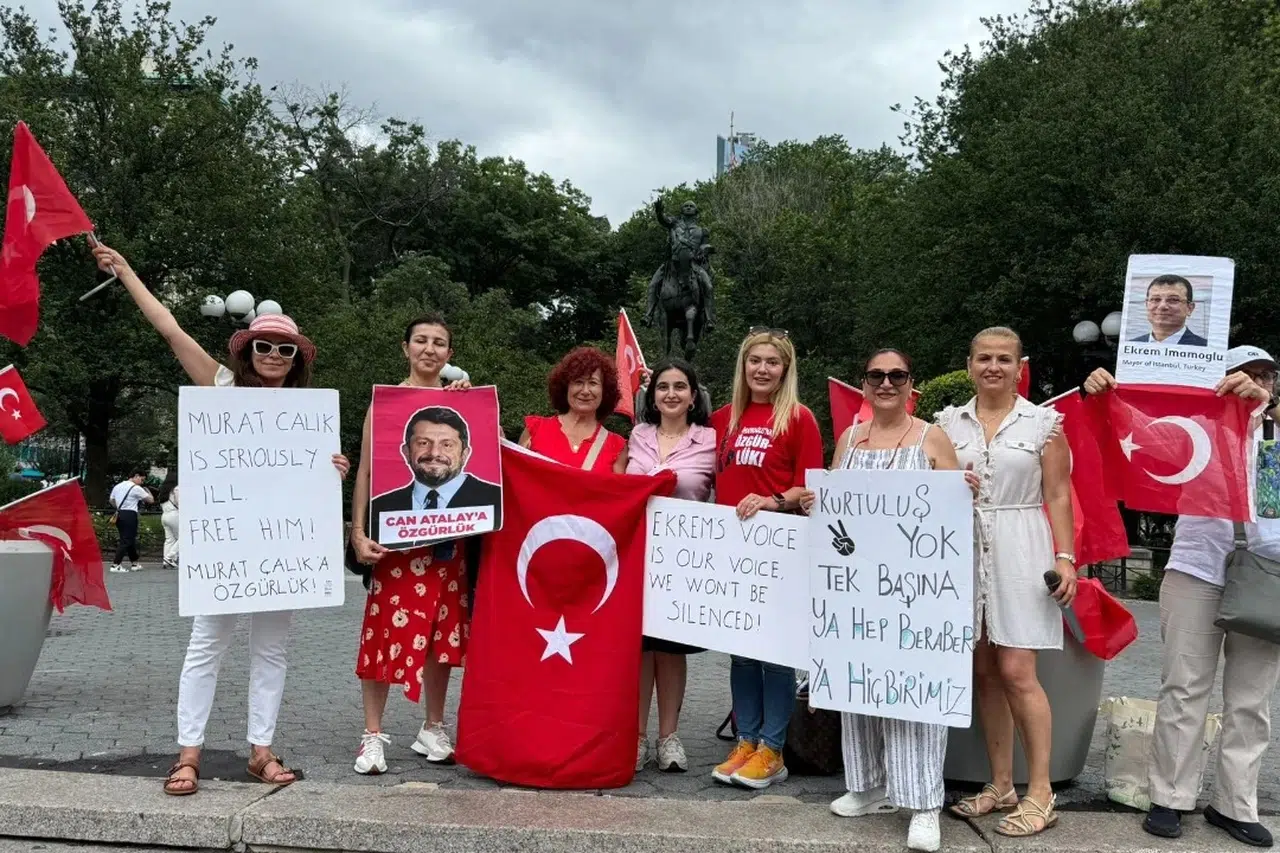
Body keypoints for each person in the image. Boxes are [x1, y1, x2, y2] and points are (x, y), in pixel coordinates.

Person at [89, 242, 351, 797]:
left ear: (297, 358)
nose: (274, 354)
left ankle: (261, 750)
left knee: (272, 650)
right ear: (247, 349)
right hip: (226, 551)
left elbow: (309, 486)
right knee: (206, 646)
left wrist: (334, 471)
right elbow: (169, 329)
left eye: (285, 348)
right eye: (264, 344)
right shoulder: (220, 389)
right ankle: (188, 754)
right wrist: (126, 270)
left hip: (280, 554)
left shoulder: (309, 418)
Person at [1084, 347, 1279, 847]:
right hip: (1197, 568)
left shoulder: (1277, 431)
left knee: (1250, 699)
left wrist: (1268, 413)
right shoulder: (1196, 427)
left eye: (1264, 375)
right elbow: (1134, 438)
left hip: (1268, 575)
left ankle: (1236, 805)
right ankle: (1170, 796)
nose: (1253, 382)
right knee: (1184, 687)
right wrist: (1107, 395)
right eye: (1242, 374)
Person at [799, 349, 976, 853]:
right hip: (858, 588)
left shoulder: (930, 437)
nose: (886, 383)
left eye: (896, 375)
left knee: (915, 692)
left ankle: (923, 804)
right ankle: (869, 784)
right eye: (876, 375)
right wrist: (818, 500)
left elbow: (951, 516)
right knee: (861, 689)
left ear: (910, 384)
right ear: (863, 384)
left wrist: (964, 489)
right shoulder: (851, 439)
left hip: (916, 593)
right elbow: (836, 506)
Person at [939, 326, 1075, 837]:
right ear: (969, 364)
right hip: (964, 548)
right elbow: (926, 480)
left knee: (1018, 669)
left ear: (1020, 366)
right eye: (983, 358)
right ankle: (1001, 783)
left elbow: (1059, 494)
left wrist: (1066, 559)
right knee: (985, 669)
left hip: (1022, 543)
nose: (992, 366)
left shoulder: (1045, 424)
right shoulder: (948, 423)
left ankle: (1042, 790)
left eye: (1003, 358)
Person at [348, 314, 477, 774]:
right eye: (420, 340)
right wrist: (358, 532)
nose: (429, 349)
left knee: (444, 637)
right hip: (397, 547)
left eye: (439, 342)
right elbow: (366, 470)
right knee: (384, 635)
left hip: (448, 546)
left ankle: (433, 726)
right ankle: (372, 734)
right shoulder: (385, 402)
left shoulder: (463, 403)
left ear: (449, 353)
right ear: (405, 347)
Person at [709, 327, 823, 789]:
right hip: (732, 550)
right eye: (754, 360)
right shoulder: (721, 418)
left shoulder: (798, 418)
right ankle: (747, 738)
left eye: (771, 363)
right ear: (743, 365)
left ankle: (773, 749)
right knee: (740, 653)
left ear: (785, 369)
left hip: (780, 546)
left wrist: (772, 500)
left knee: (774, 653)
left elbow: (810, 486)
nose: (762, 369)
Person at [627, 358, 715, 773]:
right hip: (638, 554)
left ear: (693, 396)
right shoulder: (636, 437)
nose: (671, 394)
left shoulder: (711, 441)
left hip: (685, 559)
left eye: (680, 386)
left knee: (670, 648)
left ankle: (669, 738)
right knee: (641, 648)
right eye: (663, 387)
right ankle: (637, 737)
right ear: (652, 394)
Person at [369, 405, 502, 547]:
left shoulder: (495, 499)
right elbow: (361, 561)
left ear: (465, 454)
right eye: (423, 443)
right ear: (406, 451)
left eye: (447, 445)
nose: (434, 453)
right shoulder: (380, 506)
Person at [519, 346, 629, 473]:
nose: (585, 391)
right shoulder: (535, 429)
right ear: (566, 388)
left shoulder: (616, 446)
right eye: (578, 382)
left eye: (593, 383)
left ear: (605, 391)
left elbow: (618, 492)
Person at [1129, 274, 1207, 345]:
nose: (1162, 306)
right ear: (1147, 305)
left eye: (1173, 300)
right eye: (1156, 299)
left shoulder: (1205, 348)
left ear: (1189, 308)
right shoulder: (1130, 346)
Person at [108, 470, 153, 572]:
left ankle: (134, 563)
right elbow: (150, 500)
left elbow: (111, 500)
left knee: (129, 538)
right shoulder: (136, 488)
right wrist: (148, 491)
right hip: (130, 514)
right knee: (126, 540)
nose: (142, 482)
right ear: (136, 476)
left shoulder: (118, 486)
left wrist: (119, 506)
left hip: (119, 514)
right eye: (142, 479)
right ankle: (116, 564)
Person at [161, 485, 180, 570]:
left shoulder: (164, 491)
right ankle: (170, 556)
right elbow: (178, 502)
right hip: (174, 514)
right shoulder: (176, 488)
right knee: (183, 537)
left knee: (169, 539)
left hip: (164, 515)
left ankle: (165, 561)